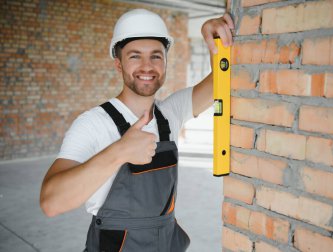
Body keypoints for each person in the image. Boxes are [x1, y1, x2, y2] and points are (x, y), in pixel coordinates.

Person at [40, 8, 234, 252]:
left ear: (165, 62)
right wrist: (120, 152)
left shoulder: (170, 112)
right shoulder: (92, 124)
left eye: (156, 56)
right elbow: (51, 202)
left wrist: (216, 41)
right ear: (118, 64)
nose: (147, 66)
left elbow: (223, 79)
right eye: (134, 56)